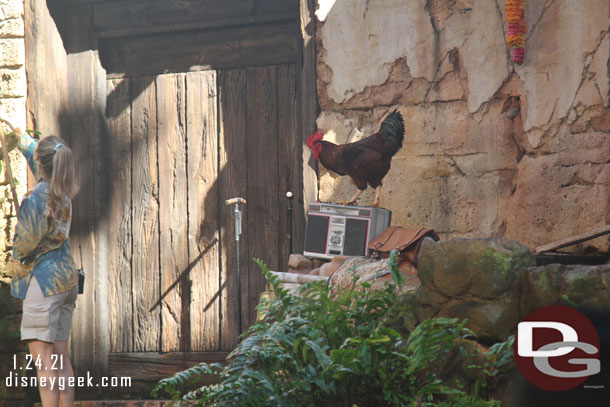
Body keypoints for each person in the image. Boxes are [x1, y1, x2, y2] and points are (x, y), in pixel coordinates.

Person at [1, 117, 79, 407]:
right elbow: (43, 155)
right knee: (61, 358)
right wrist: (23, 140)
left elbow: (26, 243)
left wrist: (15, 260)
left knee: (44, 363)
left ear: (40, 164)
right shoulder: (61, 186)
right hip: (66, 280)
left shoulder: (36, 198)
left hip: (43, 285)